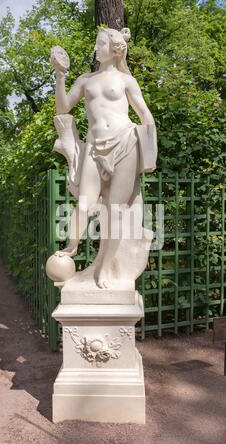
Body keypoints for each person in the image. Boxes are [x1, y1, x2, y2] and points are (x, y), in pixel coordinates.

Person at [53, 27, 157, 288]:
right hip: (94, 147)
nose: (96, 48)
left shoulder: (126, 81)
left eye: (100, 44)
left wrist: (149, 154)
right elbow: (64, 107)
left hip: (125, 143)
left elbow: (145, 115)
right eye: (97, 43)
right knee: (85, 204)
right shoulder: (86, 80)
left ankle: (104, 270)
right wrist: (60, 76)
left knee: (115, 211)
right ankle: (72, 245)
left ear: (115, 49)